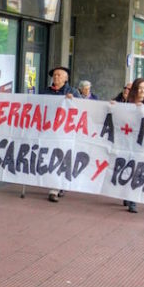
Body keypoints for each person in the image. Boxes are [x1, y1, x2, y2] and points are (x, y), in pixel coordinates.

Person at [40, 66, 80, 202]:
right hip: (48, 130)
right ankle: (55, 185)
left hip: (64, 132)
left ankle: (55, 188)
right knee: (50, 156)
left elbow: (82, 108)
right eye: (54, 75)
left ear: (66, 78)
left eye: (59, 75)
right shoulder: (45, 91)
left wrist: (73, 100)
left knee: (61, 157)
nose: (56, 77)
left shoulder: (72, 91)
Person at [119, 78, 144, 213]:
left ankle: (133, 200)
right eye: (140, 88)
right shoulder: (126, 102)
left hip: (143, 141)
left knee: (138, 169)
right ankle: (126, 193)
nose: (142, 91)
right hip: (128, 140)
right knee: (127, 167)